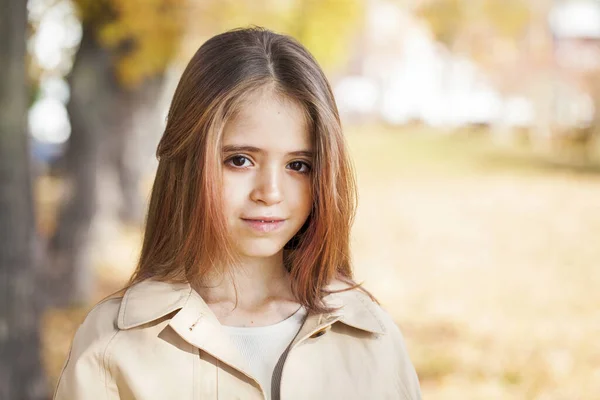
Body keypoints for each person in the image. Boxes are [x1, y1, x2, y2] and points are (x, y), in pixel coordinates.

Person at [53, 26, 422, 400]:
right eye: (240, 160)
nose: (270, 193)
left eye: (298, 165)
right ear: (188, 162)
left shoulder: (371, 336)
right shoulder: (113, 345)